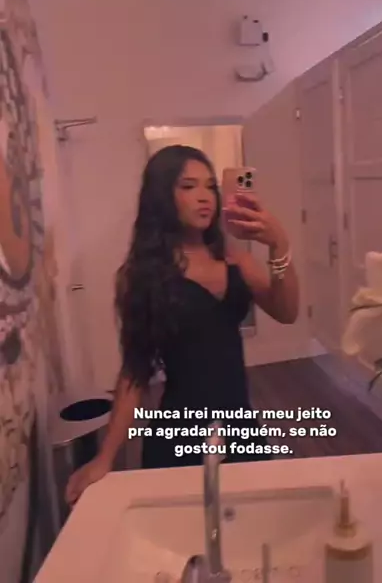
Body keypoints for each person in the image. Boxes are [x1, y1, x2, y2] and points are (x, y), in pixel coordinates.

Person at [65, 144, 299, 505]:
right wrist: (106, 457)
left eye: (210, 187)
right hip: (180, 432)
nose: (204, 198)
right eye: (188, 186)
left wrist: (279, 245)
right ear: (162, 196)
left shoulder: (235, 261)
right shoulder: (142, 277)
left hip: (240, 426)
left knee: (256, 520)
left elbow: (287, 311)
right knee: (179, 529)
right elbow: (134, 372)